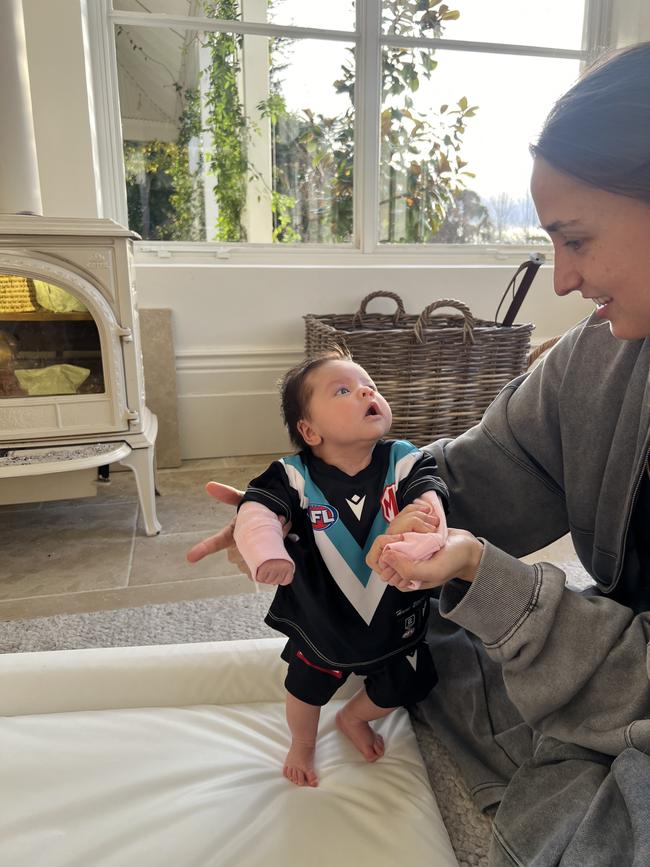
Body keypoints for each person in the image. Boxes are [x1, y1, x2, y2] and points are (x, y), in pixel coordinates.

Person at [188, 42, 650, 865]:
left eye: (576, 239)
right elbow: (481, 469)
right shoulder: (599, 357)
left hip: (631, 680)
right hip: (607, 655)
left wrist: (487, 576)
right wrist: (325, 503)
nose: (564, 279)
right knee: (394, 626)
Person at [231, 349, 449, 787]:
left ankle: (354, 717)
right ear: (309, 431)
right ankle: (304, 744)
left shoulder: (405, 459)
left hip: (395, 618)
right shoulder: (291, 476)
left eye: (369, 384)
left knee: (409, 683)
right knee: (304, 690)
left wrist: (425, 525)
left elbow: (430, 497)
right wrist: (266, 550)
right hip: (322, 620)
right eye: (343, 390)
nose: (367, 391)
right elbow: (256, 512)